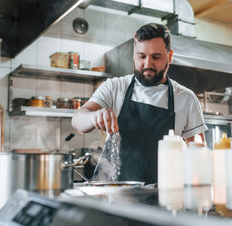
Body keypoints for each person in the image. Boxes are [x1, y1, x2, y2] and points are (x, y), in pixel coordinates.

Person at [71, 23, 208, 184]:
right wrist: (94, 116)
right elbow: (77, 121)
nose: (147, 64)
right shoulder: (115, 87)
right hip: (116, 198)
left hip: (166, 199)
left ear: (169, 57)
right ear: (134, 56)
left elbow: (198, 154)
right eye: (141, 56)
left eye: (156, 57)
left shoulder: (185, 98)